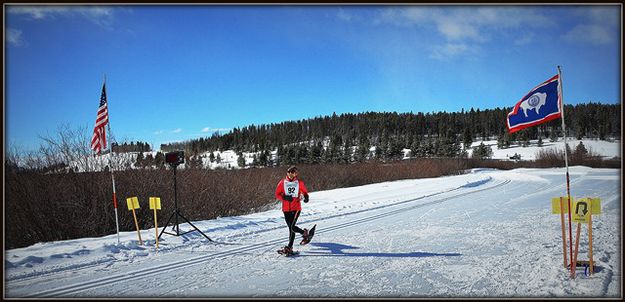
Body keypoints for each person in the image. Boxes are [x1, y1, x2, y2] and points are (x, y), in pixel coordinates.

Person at [275, 165, 310, 255]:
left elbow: (305, 192)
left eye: (296, 173)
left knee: (292, 227)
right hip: (286, 209)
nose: (295, 174)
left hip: (296, 208)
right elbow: (277, 194)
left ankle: (289, 247)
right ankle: (304, 232)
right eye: (293, 172)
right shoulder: (282, 183)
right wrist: (284, 197)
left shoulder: (299, 183)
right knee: (291, 228)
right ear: (289, 173)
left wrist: (306, 197)